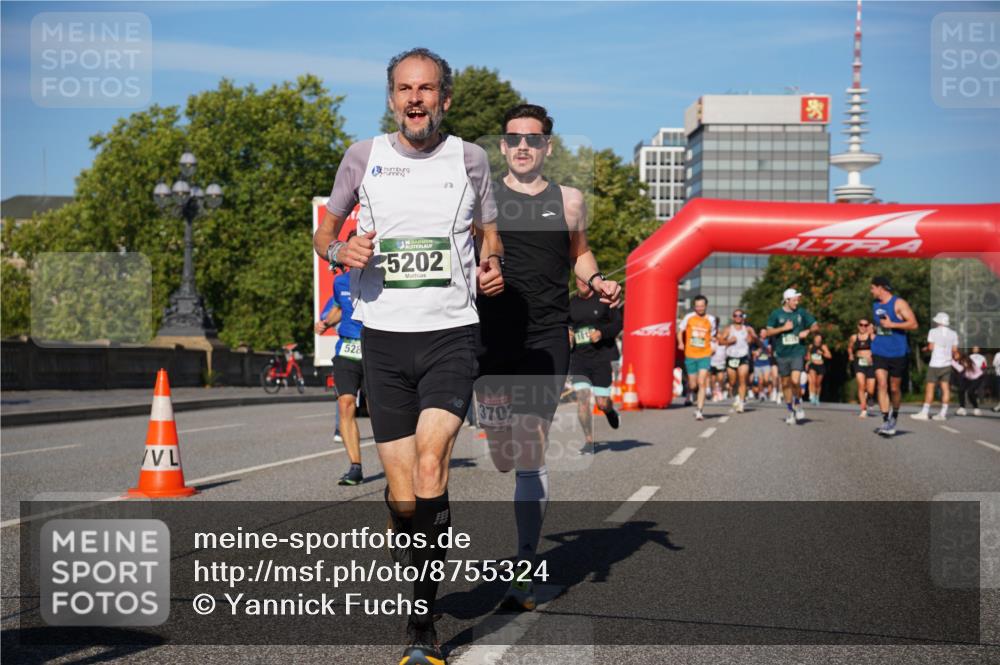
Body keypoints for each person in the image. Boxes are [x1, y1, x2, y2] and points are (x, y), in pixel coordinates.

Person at [313, 47, 504, 665]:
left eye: (426, 89)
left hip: (452, 333)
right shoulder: (362, 158)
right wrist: (341, 252)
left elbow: (489, 231)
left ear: (444, 98)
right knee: (401, 496)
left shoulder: (471, 160)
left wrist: (493, 263)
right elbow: (324, 232)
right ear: (392, 98)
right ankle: (420, 562)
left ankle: (422, 622)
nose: (415, 99)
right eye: (404, 89)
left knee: (430, 465)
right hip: (384, 341)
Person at [477, 104, 620, 612]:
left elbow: (579, 253)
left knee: (529, 443)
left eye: (533, 139)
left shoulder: (571, 201)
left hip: (545, 335)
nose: (522, 146)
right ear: (502, 146)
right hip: (490, 333)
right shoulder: (483, 197)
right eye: (514, 138)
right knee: (499, 447)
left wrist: (597, 280)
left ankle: (522, 566)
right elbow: (466, 255)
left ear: (547, 148)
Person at [316, 264, 366, 485]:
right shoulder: (341, 282)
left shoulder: (381, 281)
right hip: (346, 349)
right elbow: (338, 306)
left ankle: (395, 465)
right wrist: (326, 322)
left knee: (380, 410)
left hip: (374, 351)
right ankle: (355, 467)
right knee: (345, 403)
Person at [569, 275, 623, 453]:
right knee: (583, 401)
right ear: (575, 281)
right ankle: (589, 441)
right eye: (579, 280)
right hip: (579, 359)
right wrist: (568, 333)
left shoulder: (603, 300)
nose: (583, 283)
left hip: (601, 358)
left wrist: (602, 332)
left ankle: (609, 411)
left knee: (601, 403)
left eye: (586, 280)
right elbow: (564, 325)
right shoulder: (570, 303)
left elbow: (618, 323)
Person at [869, 275, 918, 437]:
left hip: (897, 352)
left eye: (872, 288)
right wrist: (873, 334)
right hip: (879, 351)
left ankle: (894, 416)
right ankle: (885, 420)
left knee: (894, 388)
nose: (871, 291)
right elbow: (879, 326)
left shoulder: (899, 303)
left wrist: (893, 324)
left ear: (881, 288)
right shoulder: (875, 305)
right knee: (881, 384)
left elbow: (913, 324)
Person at [764, 288, 818, 425]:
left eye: (798, 299)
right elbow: (768, 332)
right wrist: (783, 329)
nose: (797, 302)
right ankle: (790, 410)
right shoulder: (776, 314)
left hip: (797, 352)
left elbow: (815, 326)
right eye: (795, 300)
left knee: (795, 380)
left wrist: (807, 331)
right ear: (787, 300)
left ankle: (798, 404)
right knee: (785, 384)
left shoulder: (801, 312)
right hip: (782, 353)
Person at [911, 312, 959, 421]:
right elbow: (955, 350)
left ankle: (925, 412)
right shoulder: (953, 333)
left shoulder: (933, 332)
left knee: (930, 388)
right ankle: (943, 413)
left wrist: (926, 349)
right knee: (945, 388)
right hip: (947, 364)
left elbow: (931, 347)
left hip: (935, 364)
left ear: (939, 322)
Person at [678, 295, 717, 421]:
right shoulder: (689, 317)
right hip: (690, 354)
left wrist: (714, 344)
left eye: (702, 306)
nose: (699, 308)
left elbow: (713, 335)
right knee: (693, 384)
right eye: (697, 306)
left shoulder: (711, 319)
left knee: (702, 382)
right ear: (694, 306)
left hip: (705, 354)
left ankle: (699, 410)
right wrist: (680, 342)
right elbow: (680, 331)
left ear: (706, 306)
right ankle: (693, 392)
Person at [316, 295, 344, 443]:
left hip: (370, 349)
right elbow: (324, 319)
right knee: (344, 395)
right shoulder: (340, 289)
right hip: (346, 349)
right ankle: (339, 429)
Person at [719, 309, 757, 413]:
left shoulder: (748, 329)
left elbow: (755, 339)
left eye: (740, 315)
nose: (738, 317)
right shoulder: (728, 329)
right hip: (731, 357)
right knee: (732, 382)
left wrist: (752, 339)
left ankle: (741, 403)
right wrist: (729, 341)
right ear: (733, 317)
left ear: (743, 317)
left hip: (743, 357)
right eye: (736, 315)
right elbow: (720, 341)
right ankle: (736, 395)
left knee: (742, 379)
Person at [847, 319, 876, 418]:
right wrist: (850, 354)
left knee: (871, 389)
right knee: (861, 385)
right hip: (859, 362)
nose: (863, 327)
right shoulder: (854, 337)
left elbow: (880, 347)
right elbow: (850, 347)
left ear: (868, 326)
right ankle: (863, 409)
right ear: (858, 326)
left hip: (871, 363)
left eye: (865, 325)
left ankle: (870, 397)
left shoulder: (872, 337)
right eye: (861, 325)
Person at [956, 347, 988, 416]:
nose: (955, 356)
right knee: (961, 390)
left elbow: (984, 367)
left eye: (956, 354)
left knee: (970, 392)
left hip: (977, 377)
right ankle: (962, 408)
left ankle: (976, 409)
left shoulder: (967, 359)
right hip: (968, 377)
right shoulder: (966, 358)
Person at [805, 333, 832, 406]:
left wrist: (822, 353)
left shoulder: (823, 346)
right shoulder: (811, 346)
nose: (818, 340)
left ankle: (817, 397)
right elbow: (808, 356)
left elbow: (829, 356)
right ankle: (812, 396)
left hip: (821, 366)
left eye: (819, 339)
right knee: (813, 381)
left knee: (818, 383)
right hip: (813, 365)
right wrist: (808, 362)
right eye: (817, 338)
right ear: (814, 339)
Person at [751, 331, 774, 402]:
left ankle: (765, 389)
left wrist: (769, 350)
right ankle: (762, 393)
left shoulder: (769, 341)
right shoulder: (756, 342)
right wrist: (756, 352)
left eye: (765, 332)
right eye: (762, 332)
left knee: (766, 380)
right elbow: (752, 351)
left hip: (766, 363)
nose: (764, 334)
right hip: (758, 364)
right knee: (760, 381)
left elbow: (771, 353)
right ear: (760, 334)